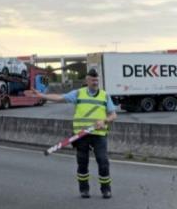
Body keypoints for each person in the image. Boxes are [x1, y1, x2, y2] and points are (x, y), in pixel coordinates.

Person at [29, 69, 118, 199]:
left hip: (99, 134)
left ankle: (106, 189)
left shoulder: (104, 96)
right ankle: (84, 189)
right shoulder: (78, 94)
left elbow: (113, 115)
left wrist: (105, 120)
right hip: (81, 135)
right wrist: (41, 95)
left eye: (97, 80)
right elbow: (60, 98)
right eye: (93, 80)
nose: (95, 82)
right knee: (82, 162)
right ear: (87, 81)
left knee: (103, 161)